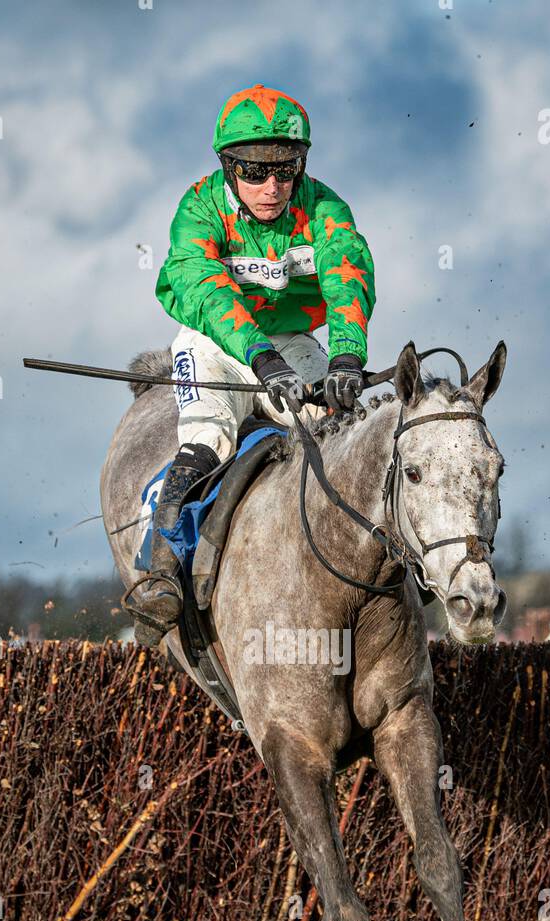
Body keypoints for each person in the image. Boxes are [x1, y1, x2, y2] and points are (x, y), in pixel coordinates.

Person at [140, 83, 376, 637]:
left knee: (345, 430)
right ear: (228, 166)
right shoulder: (198, 208)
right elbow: (208, 293)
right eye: (253, 172)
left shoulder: (325, 207)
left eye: (286, 170)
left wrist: (346, 357)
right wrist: (260, 360)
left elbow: (347, 276)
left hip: (292, 341)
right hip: (214, 344)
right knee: (208, 440)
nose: (272, 187)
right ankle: (161, 576)